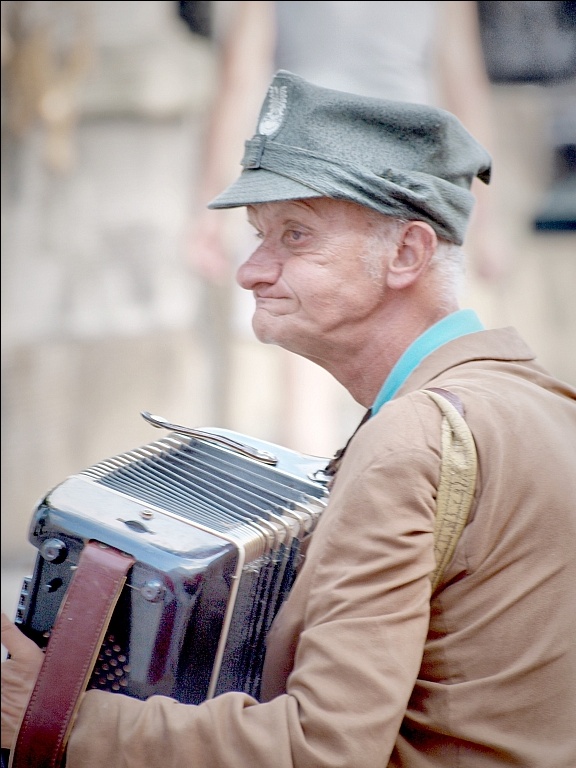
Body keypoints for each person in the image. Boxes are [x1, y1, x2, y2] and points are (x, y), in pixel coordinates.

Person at [3, 69, 576, 767]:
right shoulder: (547, 404)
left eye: (295, 235)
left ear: (407, 253)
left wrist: (62, 720)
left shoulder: (412, 439)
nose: (251, 270)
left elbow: (323, 749)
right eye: (257, 235)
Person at [188, 0, 510, 458]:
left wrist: (207, 207)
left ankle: (327, 493)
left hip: (308, 161)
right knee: (414, 350)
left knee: (306, 371)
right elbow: (465, 86)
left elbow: (239, 77)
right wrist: (485, 219)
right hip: (406, 170)